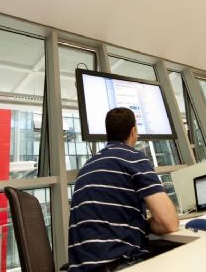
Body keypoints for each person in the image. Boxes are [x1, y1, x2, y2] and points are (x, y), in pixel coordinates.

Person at [68, 107, 179, 271]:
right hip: (120, 265)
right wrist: (149, 223)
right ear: (133, 132)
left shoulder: (86, 168)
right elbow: (169, 223)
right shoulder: (133, 158)